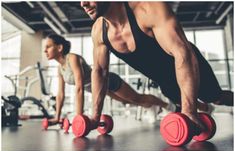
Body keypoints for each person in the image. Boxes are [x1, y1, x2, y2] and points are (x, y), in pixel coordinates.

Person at [80, 2, 233, 129]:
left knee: (215, 97)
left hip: (190, 66)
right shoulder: (98, 31)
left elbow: (182, 53)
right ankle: (204, 109)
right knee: (178, 99)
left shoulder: (148, 9)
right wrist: (95, 118)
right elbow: (99, 72)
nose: (83, 3)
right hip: (165, 82)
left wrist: (189, 112)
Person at [44, 34, 179, 124]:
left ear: (60, 47)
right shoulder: (59, 69)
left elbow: (79, 87)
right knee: (126, 102)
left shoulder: (72, 58)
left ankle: (168, 105)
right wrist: (57, 117)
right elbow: (60, 94)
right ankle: (151, 107)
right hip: (97, 89)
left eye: (48, 47)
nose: (45, 51)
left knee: (136, 98)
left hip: (108, 81)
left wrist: (79, 117)